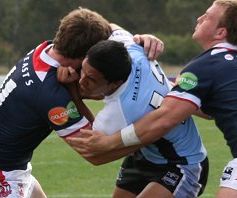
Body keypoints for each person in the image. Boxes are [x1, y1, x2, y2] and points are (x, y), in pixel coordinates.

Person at [66, 1, 237, 197]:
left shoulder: (206, 65)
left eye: (207, 17)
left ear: (221, 32)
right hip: (150, 156)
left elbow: (165, 118)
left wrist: (110, 143)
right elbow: (212, 110)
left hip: (233, 156)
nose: (199, 18)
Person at [0, 8, 163, 198]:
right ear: (85, 55)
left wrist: (137, 40)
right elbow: (94, 152)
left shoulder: (46, 49)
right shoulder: (51, 95)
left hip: (11, 170)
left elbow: (105, 27)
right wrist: (149, 134)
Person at [63, 24, 208, 198]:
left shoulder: (122, 111)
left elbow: (93, 151)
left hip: (182, 163)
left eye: (91, 79)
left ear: (114, 83)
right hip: (146, 156)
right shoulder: (132, 49)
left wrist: (70, 90)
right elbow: (108, 26)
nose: (81, 80)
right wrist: (144, 36)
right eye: (83, 70)